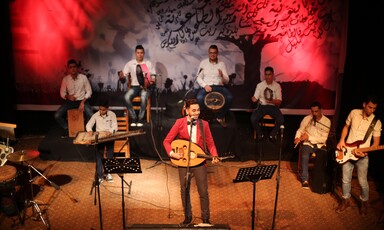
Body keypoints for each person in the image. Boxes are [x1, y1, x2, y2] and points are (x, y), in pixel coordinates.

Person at [163, 99, 220, 225]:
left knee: (203, 191)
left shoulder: (204, 124)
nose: (197, 113)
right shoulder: (179, 123)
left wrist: (214, 155)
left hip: (199, 161)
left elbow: (210, 143)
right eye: (193, 110)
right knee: (184, 190)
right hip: (184, 162)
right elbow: (166, 141)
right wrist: (172, 154)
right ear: (187, 110)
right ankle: (187, 217)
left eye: (198, 110)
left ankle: (205, 218)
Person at [335, 95, 382, 215]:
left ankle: (364, 201)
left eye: (374, 109)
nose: (372, 110)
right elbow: (346, 127)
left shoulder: (376, 122)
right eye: (370, 107)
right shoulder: (354, 113)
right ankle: (345, 200)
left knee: (362, 181)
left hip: (363, 155)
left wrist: (365, 151)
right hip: (347, 151)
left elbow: (376, 144)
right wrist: (341, 140)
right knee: (345, 179)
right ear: (364, 104)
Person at [294, 101, 331, 189]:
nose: (314, 113)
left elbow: (324, 139)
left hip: (320, 145)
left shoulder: (326, 121)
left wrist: (309, 137)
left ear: (321, 110)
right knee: (305, 156)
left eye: (316, 111)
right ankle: (305, 179)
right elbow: (300, 130)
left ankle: (316, 180)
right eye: (312, 111)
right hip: (308, 144)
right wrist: (297, 137)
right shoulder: (307, 119)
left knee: (321, 158)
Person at [196, 44, 233, 127]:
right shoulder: (203, 63)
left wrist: (222, 75)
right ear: (208, 53)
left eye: (214, 53)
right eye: (211, 53)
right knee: (199, 98)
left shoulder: (221, 64)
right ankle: (205, 118)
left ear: (217, 53)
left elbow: (227, 80)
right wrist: (205, 86)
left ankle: (220, 117)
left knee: (229, 97)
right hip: (207, 86)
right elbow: (198, 78)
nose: (212, 54)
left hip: (219, 87)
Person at [54, 59, 93, 137]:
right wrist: (68, 96)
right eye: (71, 67)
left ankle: (87, 129)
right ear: (68, 69)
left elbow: (89, 91)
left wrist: (82, 102)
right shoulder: (65, 79)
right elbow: (62, 93)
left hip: (82, 101)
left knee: (91, 114)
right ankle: (67, 129)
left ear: (77, 68)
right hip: (70, 102)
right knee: (57, 115)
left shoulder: (83, 77)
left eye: (74, 67)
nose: (73, 69)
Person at [119, 45, 155, 127]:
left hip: (145, 87)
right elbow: (123, 77)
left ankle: (140, 118)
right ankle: (134, 117)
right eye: (138, 53)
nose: (140, 55)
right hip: (134, 87)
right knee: (126, 97)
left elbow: (153, 76)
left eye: (141, 53)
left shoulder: (148, 64)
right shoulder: (130, 64)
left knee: (143, 97)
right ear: (135, 53)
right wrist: (121, 76)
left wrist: (151, 81)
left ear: (144, 53)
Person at [85, 98, 118, 183]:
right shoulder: (96, 115)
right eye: (100, 109)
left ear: (107, 108)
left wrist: (110, 131)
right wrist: (89, 130)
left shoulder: (112, 114)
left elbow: (115, 127)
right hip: (99, 138)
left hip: (109, 137)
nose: (101, 111)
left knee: (110, 155)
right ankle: (100, 176)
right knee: (99, 157)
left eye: (103, 110)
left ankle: (108, 173)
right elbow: (88, 125)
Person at [250, 66, 284, 142]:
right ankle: (260, 134)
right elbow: (255, 98)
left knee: (281, 120)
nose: (267, 77)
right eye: (266, 74)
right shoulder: (260, 85)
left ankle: (272, 134)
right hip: (263, 106)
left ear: (272, 75)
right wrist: (254, 99)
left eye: (269, 74)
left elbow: (279, 101)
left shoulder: (277, 86)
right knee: (253, 118)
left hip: (273, 107)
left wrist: (271, 101)